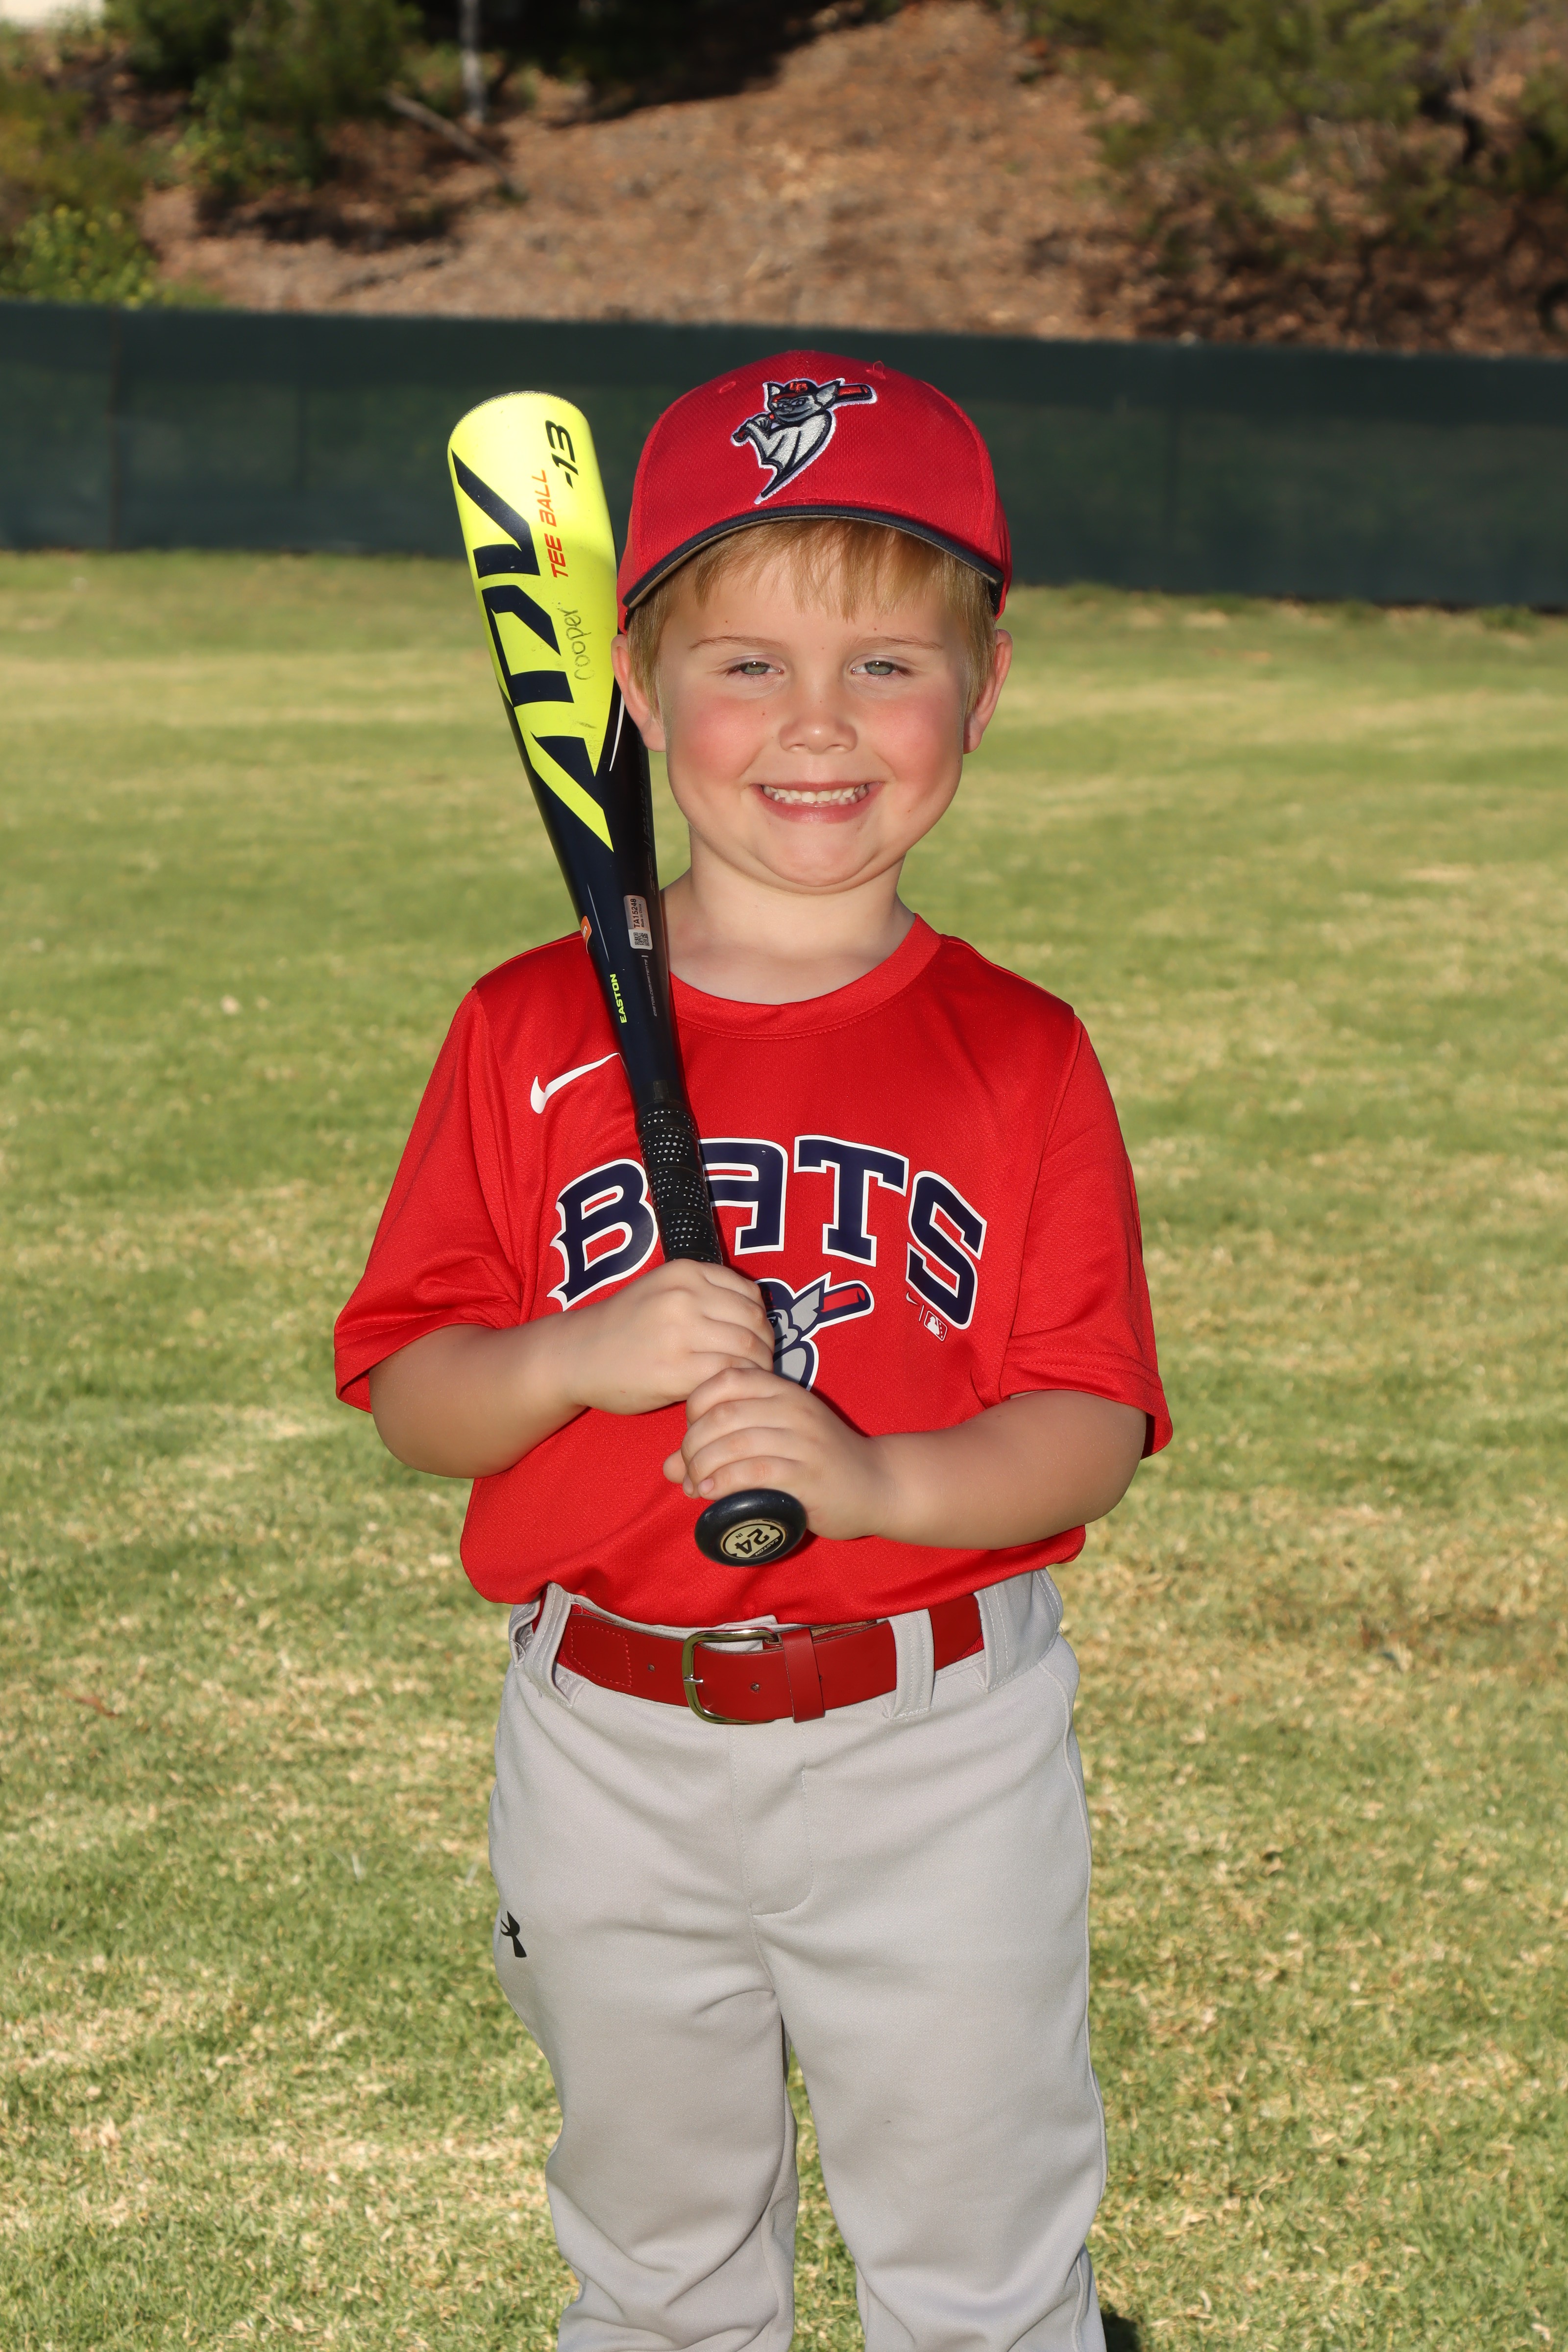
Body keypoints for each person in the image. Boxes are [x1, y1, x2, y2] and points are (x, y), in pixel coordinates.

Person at [335, 350, 1171, 2352]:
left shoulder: (1020, 1051)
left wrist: (875, 1478)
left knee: (978, 2264)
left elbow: (1086, 1423)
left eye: (887, 665)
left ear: (982, 693)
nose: (816, 724)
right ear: (630, 690)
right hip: (604, 1740)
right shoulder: (526, 1028)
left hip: (934, 1742)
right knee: (657, 2261)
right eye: (746, 666)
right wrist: (570, 1357)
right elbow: (413, 1393)